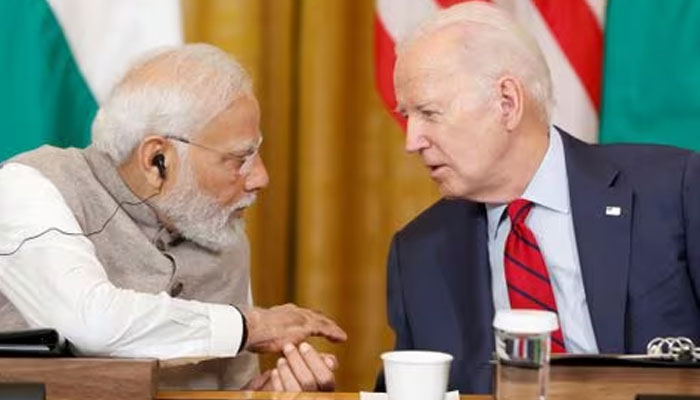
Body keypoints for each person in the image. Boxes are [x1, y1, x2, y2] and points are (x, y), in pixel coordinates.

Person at [380, 2, 700, 394]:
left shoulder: (671, 190)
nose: (411, 141)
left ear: (507, 103)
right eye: (407, 115)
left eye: (428, 113)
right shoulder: (418, 253)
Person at [0, 44, 346, 391]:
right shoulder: (29, 186)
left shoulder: (223, 233)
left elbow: (230, 389)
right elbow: (90, 324)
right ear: (156, 160)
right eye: (240, 158)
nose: (260, 178)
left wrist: (269, 395)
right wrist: (251, 326)